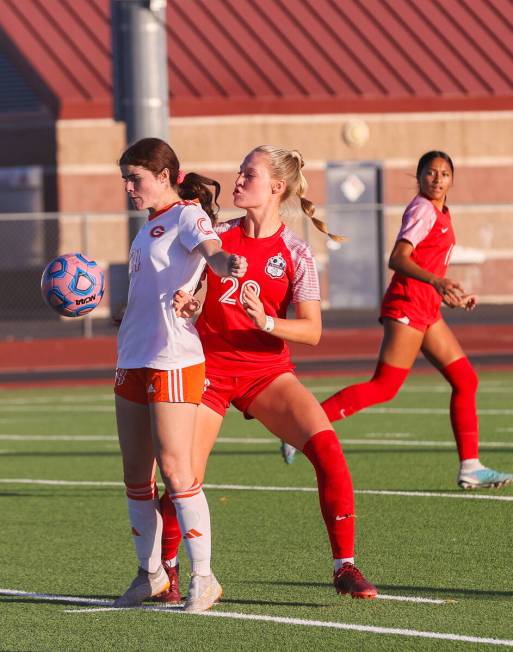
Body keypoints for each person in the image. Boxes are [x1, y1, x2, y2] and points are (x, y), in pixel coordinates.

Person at [158, 144, 377, 604]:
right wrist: (189, 303)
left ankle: (345, 567)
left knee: (329, 451)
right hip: (209, 372)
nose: (238, 180)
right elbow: (191, 292)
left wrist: (268, 323)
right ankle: (168, 575)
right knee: (182, 476)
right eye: (239, 171)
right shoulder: (215, 236)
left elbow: (313, 331)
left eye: (249, 174)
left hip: (266, 372)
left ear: (276, 187)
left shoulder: (295, 251)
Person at [321, 150, 513, 491]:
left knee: (466, 381)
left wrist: (451, 294)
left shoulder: (441, 212)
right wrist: (437, 283)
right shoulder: (423, 209)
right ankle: (307, 426)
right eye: (430, 173)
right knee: (385, 386)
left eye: (444, 174)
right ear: (419, 176)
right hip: (407, 305)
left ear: (452, 179)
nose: (437, 179)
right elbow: (398, 258)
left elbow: (432, 266)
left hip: (427, 308)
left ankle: (470, 466)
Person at [113, 137, 247, 611]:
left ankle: (204, 578)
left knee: (177, 471)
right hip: (132, 358)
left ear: (164, 176)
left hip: (173, 359)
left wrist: (222, 262)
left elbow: (210, 249)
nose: (129, 187)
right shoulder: (147, 225)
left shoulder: (188, 214)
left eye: (136, 178)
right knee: (135, 475)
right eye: (126, 178)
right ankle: (149, 575)